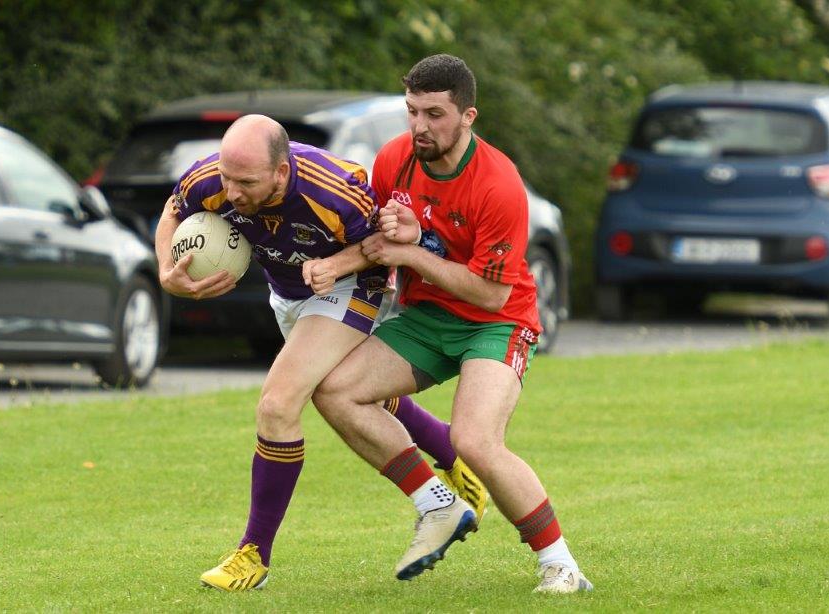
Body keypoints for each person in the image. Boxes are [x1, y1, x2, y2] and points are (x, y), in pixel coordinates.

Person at [153, 114, 487, 592]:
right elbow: (172, 212)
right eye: (227, 178)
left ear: (282, 172)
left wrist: (338, 263)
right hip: (288, 293)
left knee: (278, 403)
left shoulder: (338, 190)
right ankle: (452, 454)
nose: (231, 193)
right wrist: (167, 269)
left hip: (351, 285)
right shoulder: (210, 178)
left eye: (245, 182)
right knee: (349, 391)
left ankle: (254, 555)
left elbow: (387, 243)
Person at [312, 55, 594, 593]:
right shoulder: (394, 158)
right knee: (334, 391)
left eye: (435, 114)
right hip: (428, 317)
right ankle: (435, 502)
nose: (419, 127)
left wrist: (414, 252)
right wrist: (337, 262)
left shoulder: (499, 185)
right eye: (412, 111)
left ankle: (561, 565)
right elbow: (379, 241)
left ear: (468, 116)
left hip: (497, 322)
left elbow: (492, 292)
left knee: (474, 440)